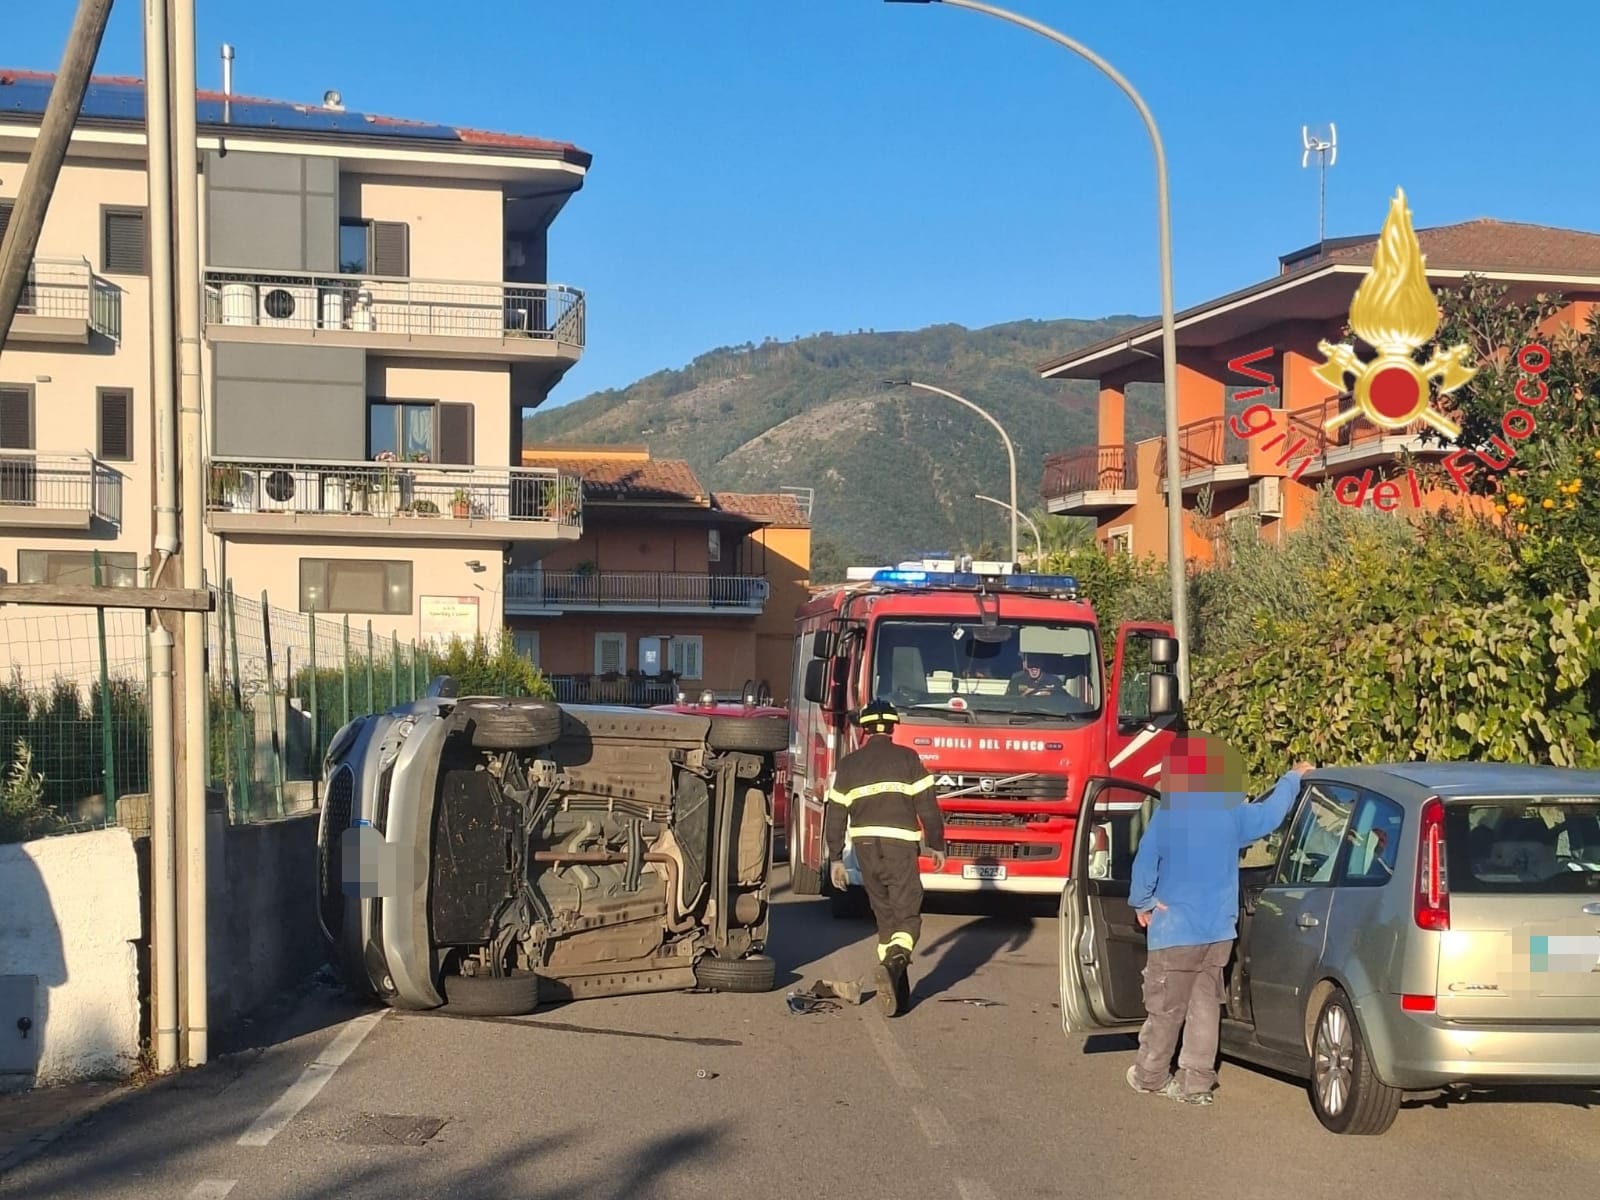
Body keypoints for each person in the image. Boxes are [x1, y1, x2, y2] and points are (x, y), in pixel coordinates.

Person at [1126, 738, 1313, 1106]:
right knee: (1205, 1007)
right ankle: (1196, 1082)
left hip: (1175, 928)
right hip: (1218, 931)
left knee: (1166, 1008)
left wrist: (1142, 902)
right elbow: (1272, 814)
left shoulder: (1169, 814)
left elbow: (1145, 862)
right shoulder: (1231, 813)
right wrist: (1293, 778)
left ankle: (1150, 1075)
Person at [825, 700, 947, 1016]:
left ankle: (898, 991)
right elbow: (928, 808)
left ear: (864, 729)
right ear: (892, 727)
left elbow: (835, 813)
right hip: (900, 847)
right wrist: (936, 844)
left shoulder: (849, 764)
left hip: (865, 847)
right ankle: (894, 961)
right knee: (908, 914)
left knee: (884, 916)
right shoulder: (908, 759)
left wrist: (835, 858)